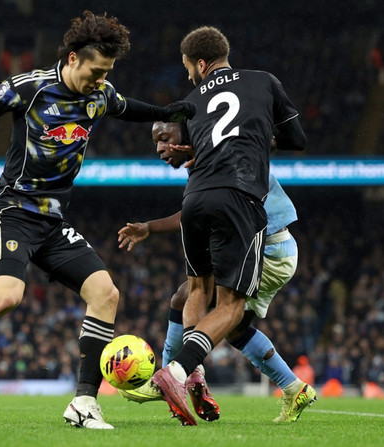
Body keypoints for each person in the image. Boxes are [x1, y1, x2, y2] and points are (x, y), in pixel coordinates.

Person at [0, 11, 195, 430]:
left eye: (107, 73)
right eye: (96, 71)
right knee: (7, 296)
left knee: (106, 293)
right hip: (12, 211)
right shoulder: (30, 88)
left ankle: (84, 403)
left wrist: (170, 113)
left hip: (52, 222)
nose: (101, 80)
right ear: (72, 59)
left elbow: (132, 110)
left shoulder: (100, 96)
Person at [146, 26, 308, 426]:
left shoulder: (191, 103)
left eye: (188, 68)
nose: (188, 77)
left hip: (234, 221)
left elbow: (195, 140)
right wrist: (260, 136)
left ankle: (178, 372)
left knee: (208, 303)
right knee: (223, 313)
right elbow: (296, 138)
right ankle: (184, 373)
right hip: (238, 206)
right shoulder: (263, 82)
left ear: (201, 63)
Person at [117, 121, 316, 424]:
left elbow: (265, 147)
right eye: (156, 142)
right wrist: (149, 227)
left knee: (187, 297)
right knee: (232, 328)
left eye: (164, 139)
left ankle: (174, 375)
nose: (159, 149)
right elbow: (194, 213)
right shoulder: (206, 159)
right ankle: (294, 388)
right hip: (268, 248)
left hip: (267, 249)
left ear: (185, 136)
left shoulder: (219, 153)